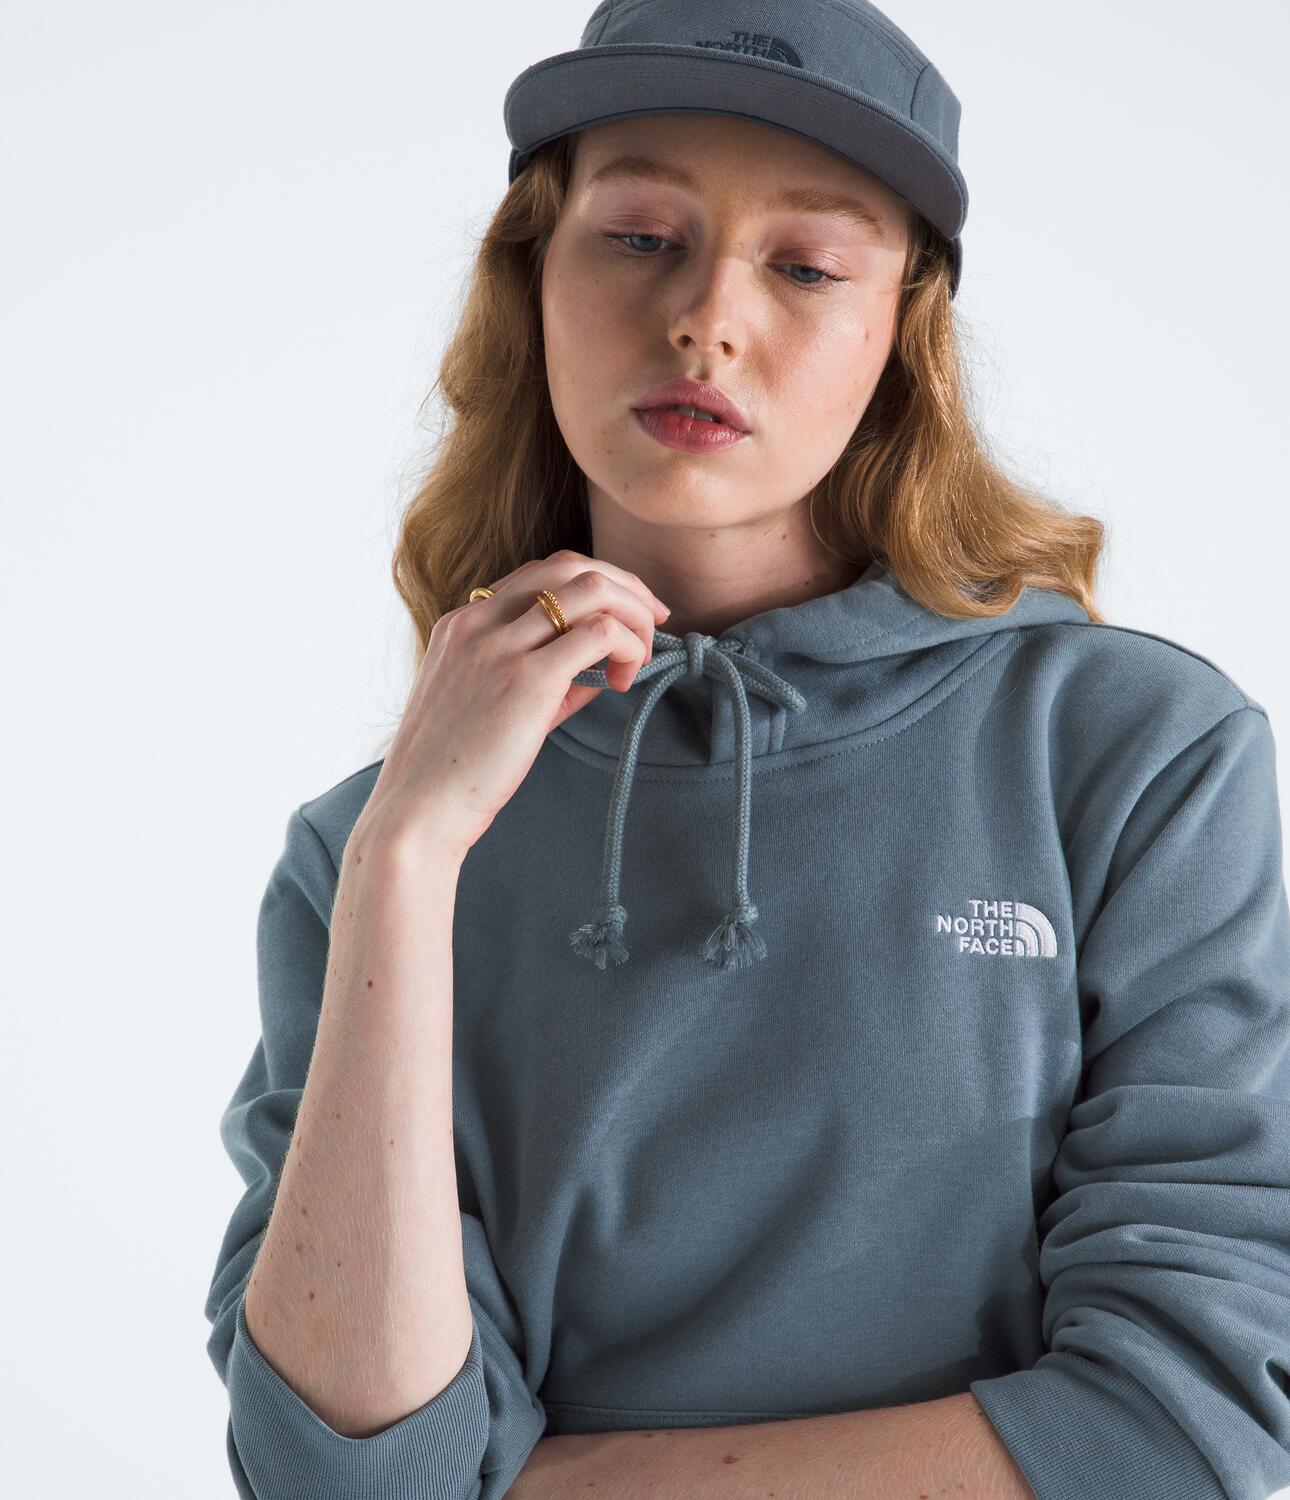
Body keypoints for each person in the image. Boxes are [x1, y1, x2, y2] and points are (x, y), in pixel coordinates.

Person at [204, 3, 1290, 1497]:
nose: (707, 318)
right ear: (534, 279)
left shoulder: (1128, 755)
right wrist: (408, 857)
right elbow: (345, 1474)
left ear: (901, 334)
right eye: (640, 236)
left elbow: (1187, 1415)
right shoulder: (367, 850)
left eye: (806, 265)